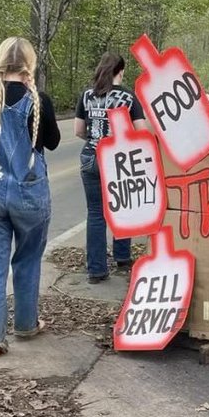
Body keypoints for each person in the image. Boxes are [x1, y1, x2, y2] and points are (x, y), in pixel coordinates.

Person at [0, 37, 61, 359]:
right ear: (29, 65)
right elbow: (53, 142)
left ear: (0, 63)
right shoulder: (39, 100)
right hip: (30, 194)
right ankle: (26, 325)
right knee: (28, 259)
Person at [75, 52, 146, 283]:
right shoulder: (127, 97)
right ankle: (123, 258)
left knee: (95, 214)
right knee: (122, 205)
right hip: (118, 159)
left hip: (90, 157)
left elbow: (78, 130)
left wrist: (96, 137)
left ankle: (96, 271)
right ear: (120, 71)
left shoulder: (86, 95)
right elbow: (141, 131)